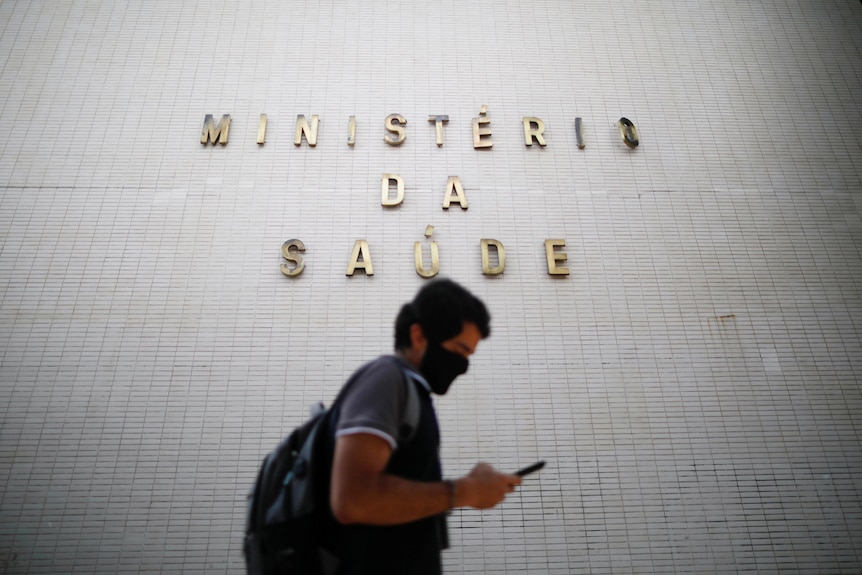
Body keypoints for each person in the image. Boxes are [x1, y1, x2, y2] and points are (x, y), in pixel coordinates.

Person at [325, 278, 522, 574]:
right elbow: (353, 498)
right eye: (459, 349)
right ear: (418, 336)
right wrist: (466, 491)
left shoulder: (413, 392)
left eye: (469, 355)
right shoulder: (387, 380)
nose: (463, 365)